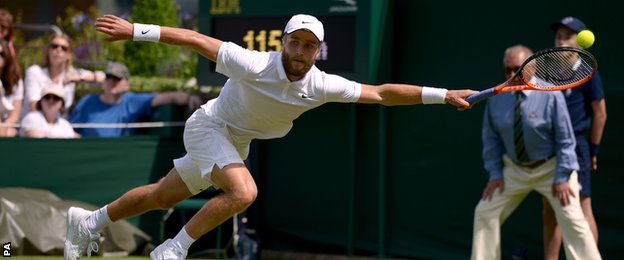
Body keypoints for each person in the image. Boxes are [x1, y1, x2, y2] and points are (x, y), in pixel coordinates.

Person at [63, 14, 476, 260]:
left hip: (235, 143)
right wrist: (135, 29)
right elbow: (193, 38)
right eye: (294, 42)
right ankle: (173, 249)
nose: (299, 51)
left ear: (318, 52)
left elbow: (383, 94)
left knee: (162, 196)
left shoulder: (322, 84)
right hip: (208, 126)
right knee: (244, 193)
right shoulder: (254, 63)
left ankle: (88, 221)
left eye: (308, 46)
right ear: (283, 43)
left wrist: (443, 95)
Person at [471, 45, 601, 260]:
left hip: (553, 169)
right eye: (508, 70)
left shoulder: (550, 94)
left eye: (518, 69)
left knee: (574, 221)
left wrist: (561, 176)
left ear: (532, 68)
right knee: (484, 212)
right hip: (515, 170)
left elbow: (566, 140)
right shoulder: (496, 98)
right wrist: (495, 173)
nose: (513, 75)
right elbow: (491, 139)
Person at [542, 16, 606, 260]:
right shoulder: (548, 72)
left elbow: (601, 114)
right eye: (558, 36)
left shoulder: (587, 73)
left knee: (581, 208)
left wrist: (593, 150)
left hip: (576, 147)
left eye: (567, 37)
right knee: (549, 209)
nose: (561, 42)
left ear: (579, 42)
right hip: (550, 148)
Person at [69, 61, 204, 137]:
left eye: (116, 78)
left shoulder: (132, 101)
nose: (111, 82)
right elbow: (70, 131)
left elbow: (165, 97)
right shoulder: (87, 101)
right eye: (108, 77)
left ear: (127, 84)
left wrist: (189, 97)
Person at [23, 34, 105, 117]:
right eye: (54, 46)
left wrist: (80, 78)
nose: (58, 50)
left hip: (59, 124)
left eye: (64, 48)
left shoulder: (72, 74)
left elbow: (103, 77)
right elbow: (34, 105)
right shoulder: (35, 72)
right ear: (48, 50)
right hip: (35, 122)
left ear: (69, 55)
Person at [0, 39, 23, 137]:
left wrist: (4, 126)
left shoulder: (16, 81)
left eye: (1, 54)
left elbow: (15, 115)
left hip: (7, 125)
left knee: (9, 132)